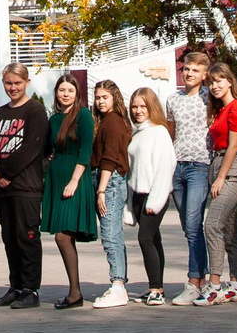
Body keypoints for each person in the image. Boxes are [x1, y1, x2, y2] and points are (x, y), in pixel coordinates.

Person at [0, 62, 49, 307]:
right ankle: (16, 285)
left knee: (27, 238)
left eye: (17, 83)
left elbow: (32, 148)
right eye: (9, 83)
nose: (13, 87)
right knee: (9, 238)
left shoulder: (35, 111)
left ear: (27, 83)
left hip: (25, 188)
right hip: (2, 190)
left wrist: (4, 171)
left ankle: (30, 289)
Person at [38, 73, 99, 308]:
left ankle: (75, 293)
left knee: (63, 236)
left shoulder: (83, 115)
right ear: (56, 93)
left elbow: (85, 151)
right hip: (56, 175)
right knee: (63, 236)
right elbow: (44, 149)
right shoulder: (53, 119)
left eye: (70, 91)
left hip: (75, 177)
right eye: (62, 90)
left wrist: (74, 180)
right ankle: (74, 292)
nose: (65, 94)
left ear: (77, 94)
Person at [196, 62, 237, 305]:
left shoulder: (236, 108)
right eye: (211, 83)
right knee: (229, 229)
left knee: (212, 225)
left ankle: (215, 284)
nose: (215, 86)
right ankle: (236, 283)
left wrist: (221, 177)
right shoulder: (220, 110)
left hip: (232, 170)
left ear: (230, 81)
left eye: (220, 81)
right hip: (217, 166)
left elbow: (233, 145)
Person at [167, 46, 214, 295]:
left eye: (196, 70)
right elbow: (170, 134)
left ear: (205, 74)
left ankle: (195, 279)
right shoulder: (173, 99)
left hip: (199, 165)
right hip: (178, 167)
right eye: (186, 69)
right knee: (188, 225)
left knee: (195, 222)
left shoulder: (209, 97)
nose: (190, 73)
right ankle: (202, 277)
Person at [124, 88, 177, 305]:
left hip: (154, 195)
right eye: (134, 106)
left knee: (145, 238)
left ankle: (157, 289)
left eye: (142, 106)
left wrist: (156, 200)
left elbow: (166, 167)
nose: (138, 111)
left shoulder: (159, 132)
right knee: (154, 240)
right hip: (137, 194)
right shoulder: (136, 133)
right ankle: (156, 287)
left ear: (151, 107)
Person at [88, 78, 134, 308]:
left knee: (110, 235)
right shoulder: (105, 121)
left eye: (104, 97)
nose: (100, 101)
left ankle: (118, 285)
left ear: (114, 97)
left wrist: (101, 190)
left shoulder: (114, 122)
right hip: (105, 179)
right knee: (113, 234)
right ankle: (119, 282)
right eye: (97, 98)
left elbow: (110, 159)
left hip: (111, 181)